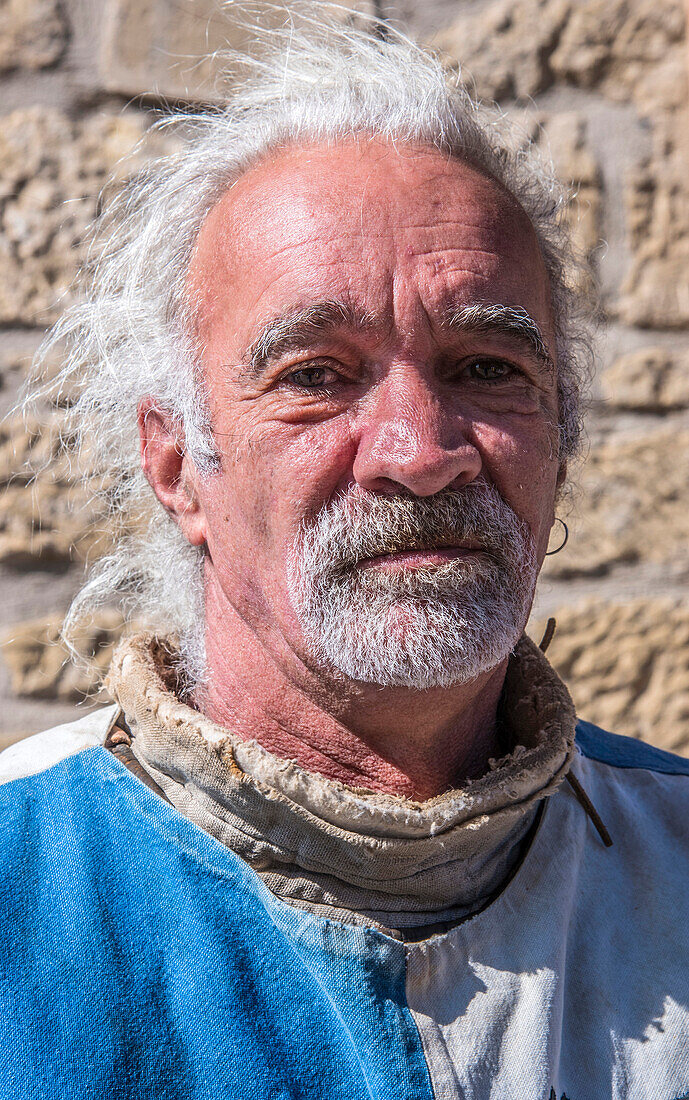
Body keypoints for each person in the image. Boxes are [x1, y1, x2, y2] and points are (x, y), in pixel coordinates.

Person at [1, 12, 687, 1099]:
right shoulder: (21, 889)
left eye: (484, 365)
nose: (420, 452)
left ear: (563, 429)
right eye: (316, 374)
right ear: (178, 465)